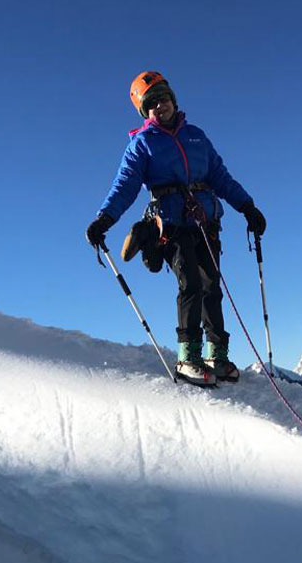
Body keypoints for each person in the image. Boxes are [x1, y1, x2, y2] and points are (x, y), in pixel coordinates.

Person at [86, 71, 266, 386]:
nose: (159, 106)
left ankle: (217, 357)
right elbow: (125, 186)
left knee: (212, 287)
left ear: (173, 99)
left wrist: (247, 207)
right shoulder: (142, 144)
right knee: (191, 284)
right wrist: (105, 219)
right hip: (171, 223)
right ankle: (187, 358)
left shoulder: (196, 136)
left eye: (163, 98)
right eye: (151, 103)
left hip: (206, 223)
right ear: (145, 112)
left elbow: (220, 177)